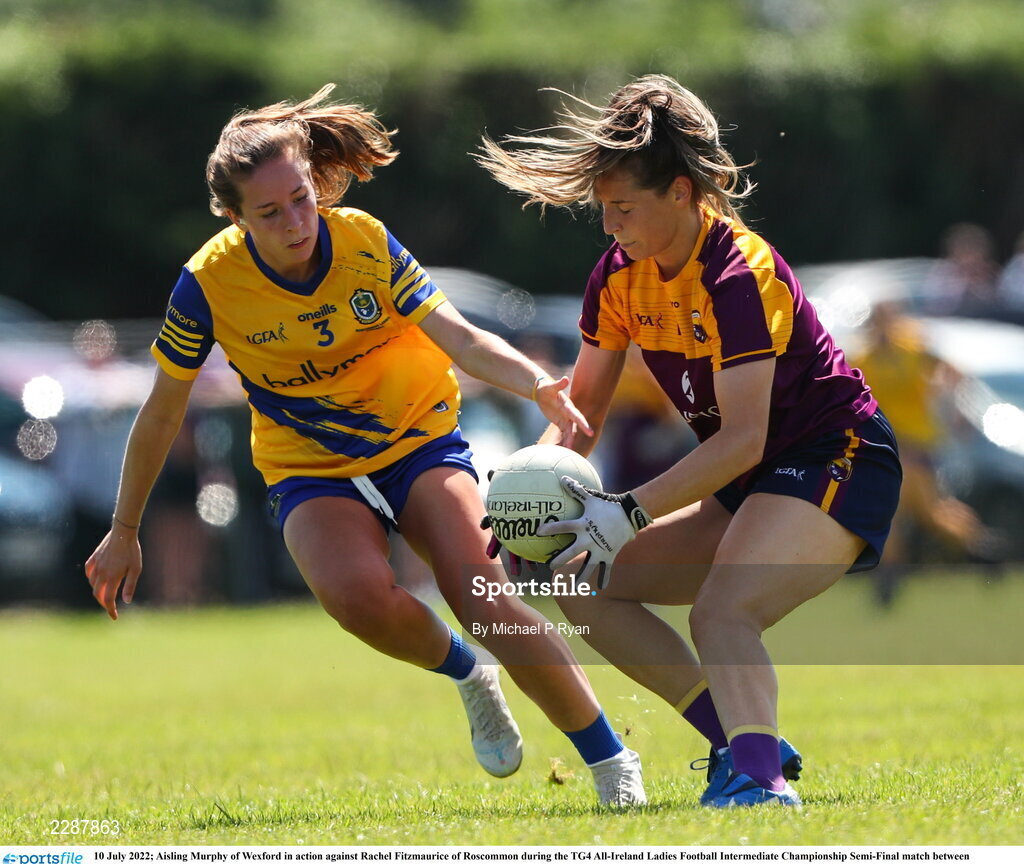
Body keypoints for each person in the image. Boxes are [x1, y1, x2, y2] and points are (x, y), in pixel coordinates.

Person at [84, 84, 646, 808]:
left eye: (300, 200)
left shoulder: (363, 241)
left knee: (482, 595)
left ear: (314, 184)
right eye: (269, 212)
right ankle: (468, 674)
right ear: (233, 217)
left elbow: (460, 337)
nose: (294, 222)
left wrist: (536, 384)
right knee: (355, 597)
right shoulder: (207, 285)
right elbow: (162, 413)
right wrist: (124, 530)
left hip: (417, 436)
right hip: (308, 465)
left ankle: (610, 761)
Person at [478, 74, 902, 807]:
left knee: (722, 610)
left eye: (622, 208)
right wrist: (528, 498)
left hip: (836, 457)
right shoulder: (616, 277)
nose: (609, 226)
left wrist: (627, 511)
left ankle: (762, 785)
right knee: (585, 582)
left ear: (681, 192)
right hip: (751, 481)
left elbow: (743, 438)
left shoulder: (740, 275)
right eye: (602, 209)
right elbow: (581, 413)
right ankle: (741, 742)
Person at [850, 301, 997, 602]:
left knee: (916, 513)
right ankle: (981, 548)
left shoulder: (914, 348)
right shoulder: (863, 358)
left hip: (917, 444)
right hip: (888, 447)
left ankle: (978, 547)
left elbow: (954, 371)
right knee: (919, 512)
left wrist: (957, 408)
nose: (880, 329)